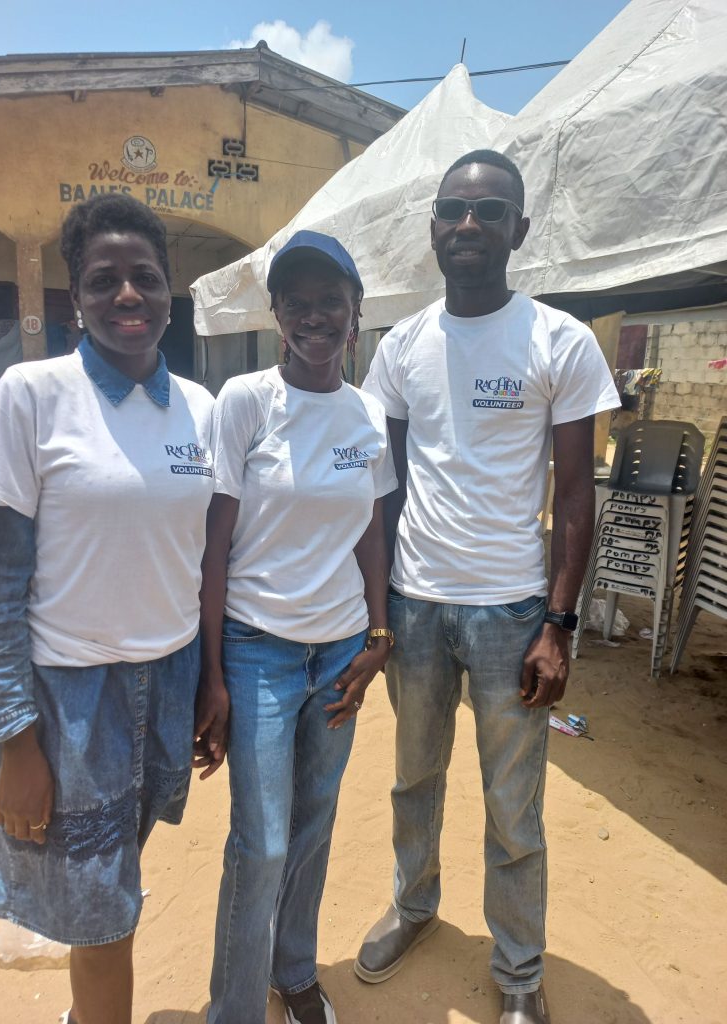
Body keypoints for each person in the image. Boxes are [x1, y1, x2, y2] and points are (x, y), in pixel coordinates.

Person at [354, 150, 620, 1024]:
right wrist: (378, 612)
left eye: (490, 211)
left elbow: (575, 495)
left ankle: (518, 970)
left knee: (514, 805)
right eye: (454, 210)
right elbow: (382, 487)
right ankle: (414, 906)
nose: (469, 224)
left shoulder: (558, 340)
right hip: (417, 603)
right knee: (413, 779)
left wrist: (559, 624)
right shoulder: (401, 345)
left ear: (519, 230)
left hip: (512, 610)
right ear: (434, 227)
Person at [0, 193, 228, 1024]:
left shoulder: (201, 408)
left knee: (113, 890)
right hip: (71, 705)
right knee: (106, 916)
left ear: (169, 290)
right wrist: (15, 741)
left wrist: (208, 683)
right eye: (103, 279)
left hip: (169, 684)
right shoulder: (32, 395)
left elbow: (202, 565)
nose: (127, 294)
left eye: (144, 276)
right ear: (75, 296)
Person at [199, 230, 396, 1024]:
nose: (315, 316)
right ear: (277, 316)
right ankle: (235, 1008)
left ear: (355, 315)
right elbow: (214, 547)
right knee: (264, 841)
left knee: (314, 823)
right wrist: (212, 674)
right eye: (297, 304)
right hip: (258, 652)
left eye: (330, 303)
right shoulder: (245, 402)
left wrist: (378, 636)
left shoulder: (367, 412)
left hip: (341, 652)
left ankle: (295, 970)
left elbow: (371, 532)